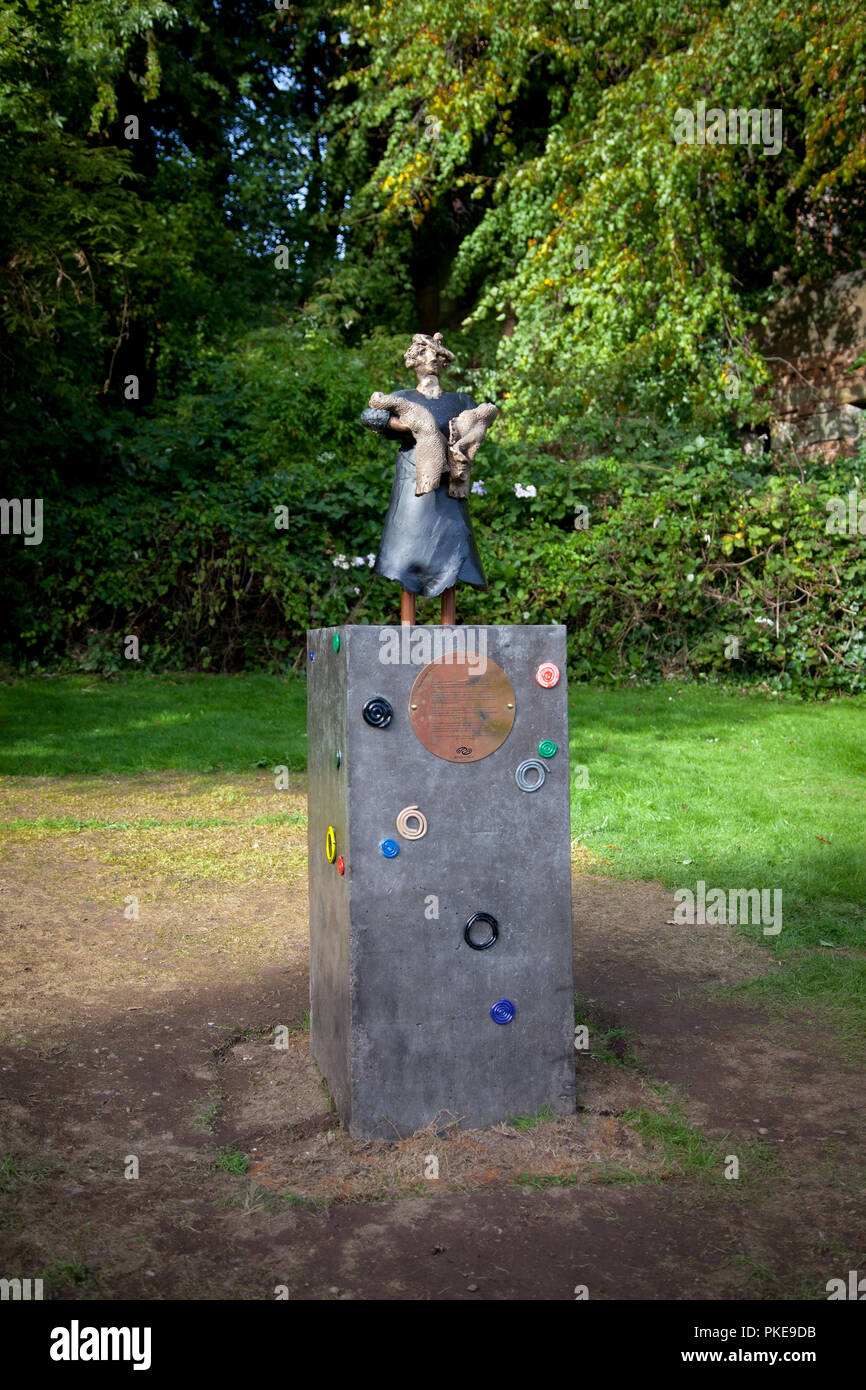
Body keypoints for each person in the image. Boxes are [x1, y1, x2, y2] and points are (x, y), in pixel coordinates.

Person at [360, 332, 496, 623]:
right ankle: (407, 623)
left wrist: (465, 436)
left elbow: (479, 420)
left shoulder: (460, 400)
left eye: (437, 354)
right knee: (407, 544)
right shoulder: (402, 398)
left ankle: (448, 623)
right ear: (414, 361)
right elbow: (370, 416)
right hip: (412, 480)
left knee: (452, 545)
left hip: (450, 483)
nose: (432, 360)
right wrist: (411, 426)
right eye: (424, 354)